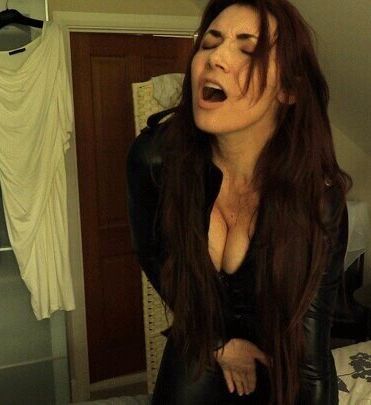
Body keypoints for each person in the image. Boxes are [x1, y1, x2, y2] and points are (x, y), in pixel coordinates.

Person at [126, 0, 351, 403]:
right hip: (203, 334)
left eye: (247, 49)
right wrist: (217, 343)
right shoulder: (155, 160)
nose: (215, 59)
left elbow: (310, 353)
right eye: (209, 43)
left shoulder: (318, 200)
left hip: (282, 359)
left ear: (289, 89)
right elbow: (153, 257)